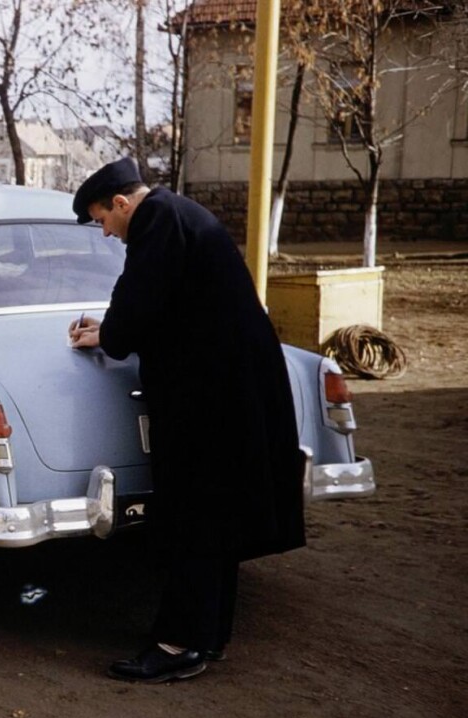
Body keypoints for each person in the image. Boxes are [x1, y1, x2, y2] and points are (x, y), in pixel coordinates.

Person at [68, 157, 306, 684]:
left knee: (192, 514)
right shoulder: (181, 215)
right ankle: (207, 635)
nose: (106, 232)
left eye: (103, 219)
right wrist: (109, 331)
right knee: (215, 518)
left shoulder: (156, 221)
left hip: (210, 398)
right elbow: (166, 304)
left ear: (123, 203)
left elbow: (138, 300)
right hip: (233, 390)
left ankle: (176, 643)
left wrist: (110, 335)